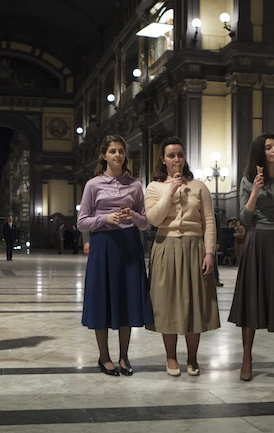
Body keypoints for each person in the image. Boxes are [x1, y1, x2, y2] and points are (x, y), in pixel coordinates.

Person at [228, 133, 274, 383]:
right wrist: (255, 191)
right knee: (251, 300)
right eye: (269, 147)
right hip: (257, 241)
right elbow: (244, 219)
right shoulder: (249, 180)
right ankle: (247, 357)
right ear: (260, 153)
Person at [77, 134, 153, 376]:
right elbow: (81, 222)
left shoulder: (135, 185)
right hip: (103, 245)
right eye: (112, 151)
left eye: (121, 151)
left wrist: (134, 216)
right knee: (103, 300)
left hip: (129, 244)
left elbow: (145, 224)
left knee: (127, 299)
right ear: (104, 155)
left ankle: (124, 355)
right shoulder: (93, 185)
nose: (118, 155)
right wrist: (106, 219)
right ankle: (104, 356)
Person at [145, 136, 219, 377]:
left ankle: (193, 357)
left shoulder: (199, 187)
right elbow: (154, 219)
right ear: (163, 160)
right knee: (167, 303)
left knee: (194, 303)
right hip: (166, 247)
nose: (176, 159)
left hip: (195, 247)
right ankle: (170, 357)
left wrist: (209, 252)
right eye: (171, 155)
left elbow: (209, 221)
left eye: (179, 155)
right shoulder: (154, 187)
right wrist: (170, 191)